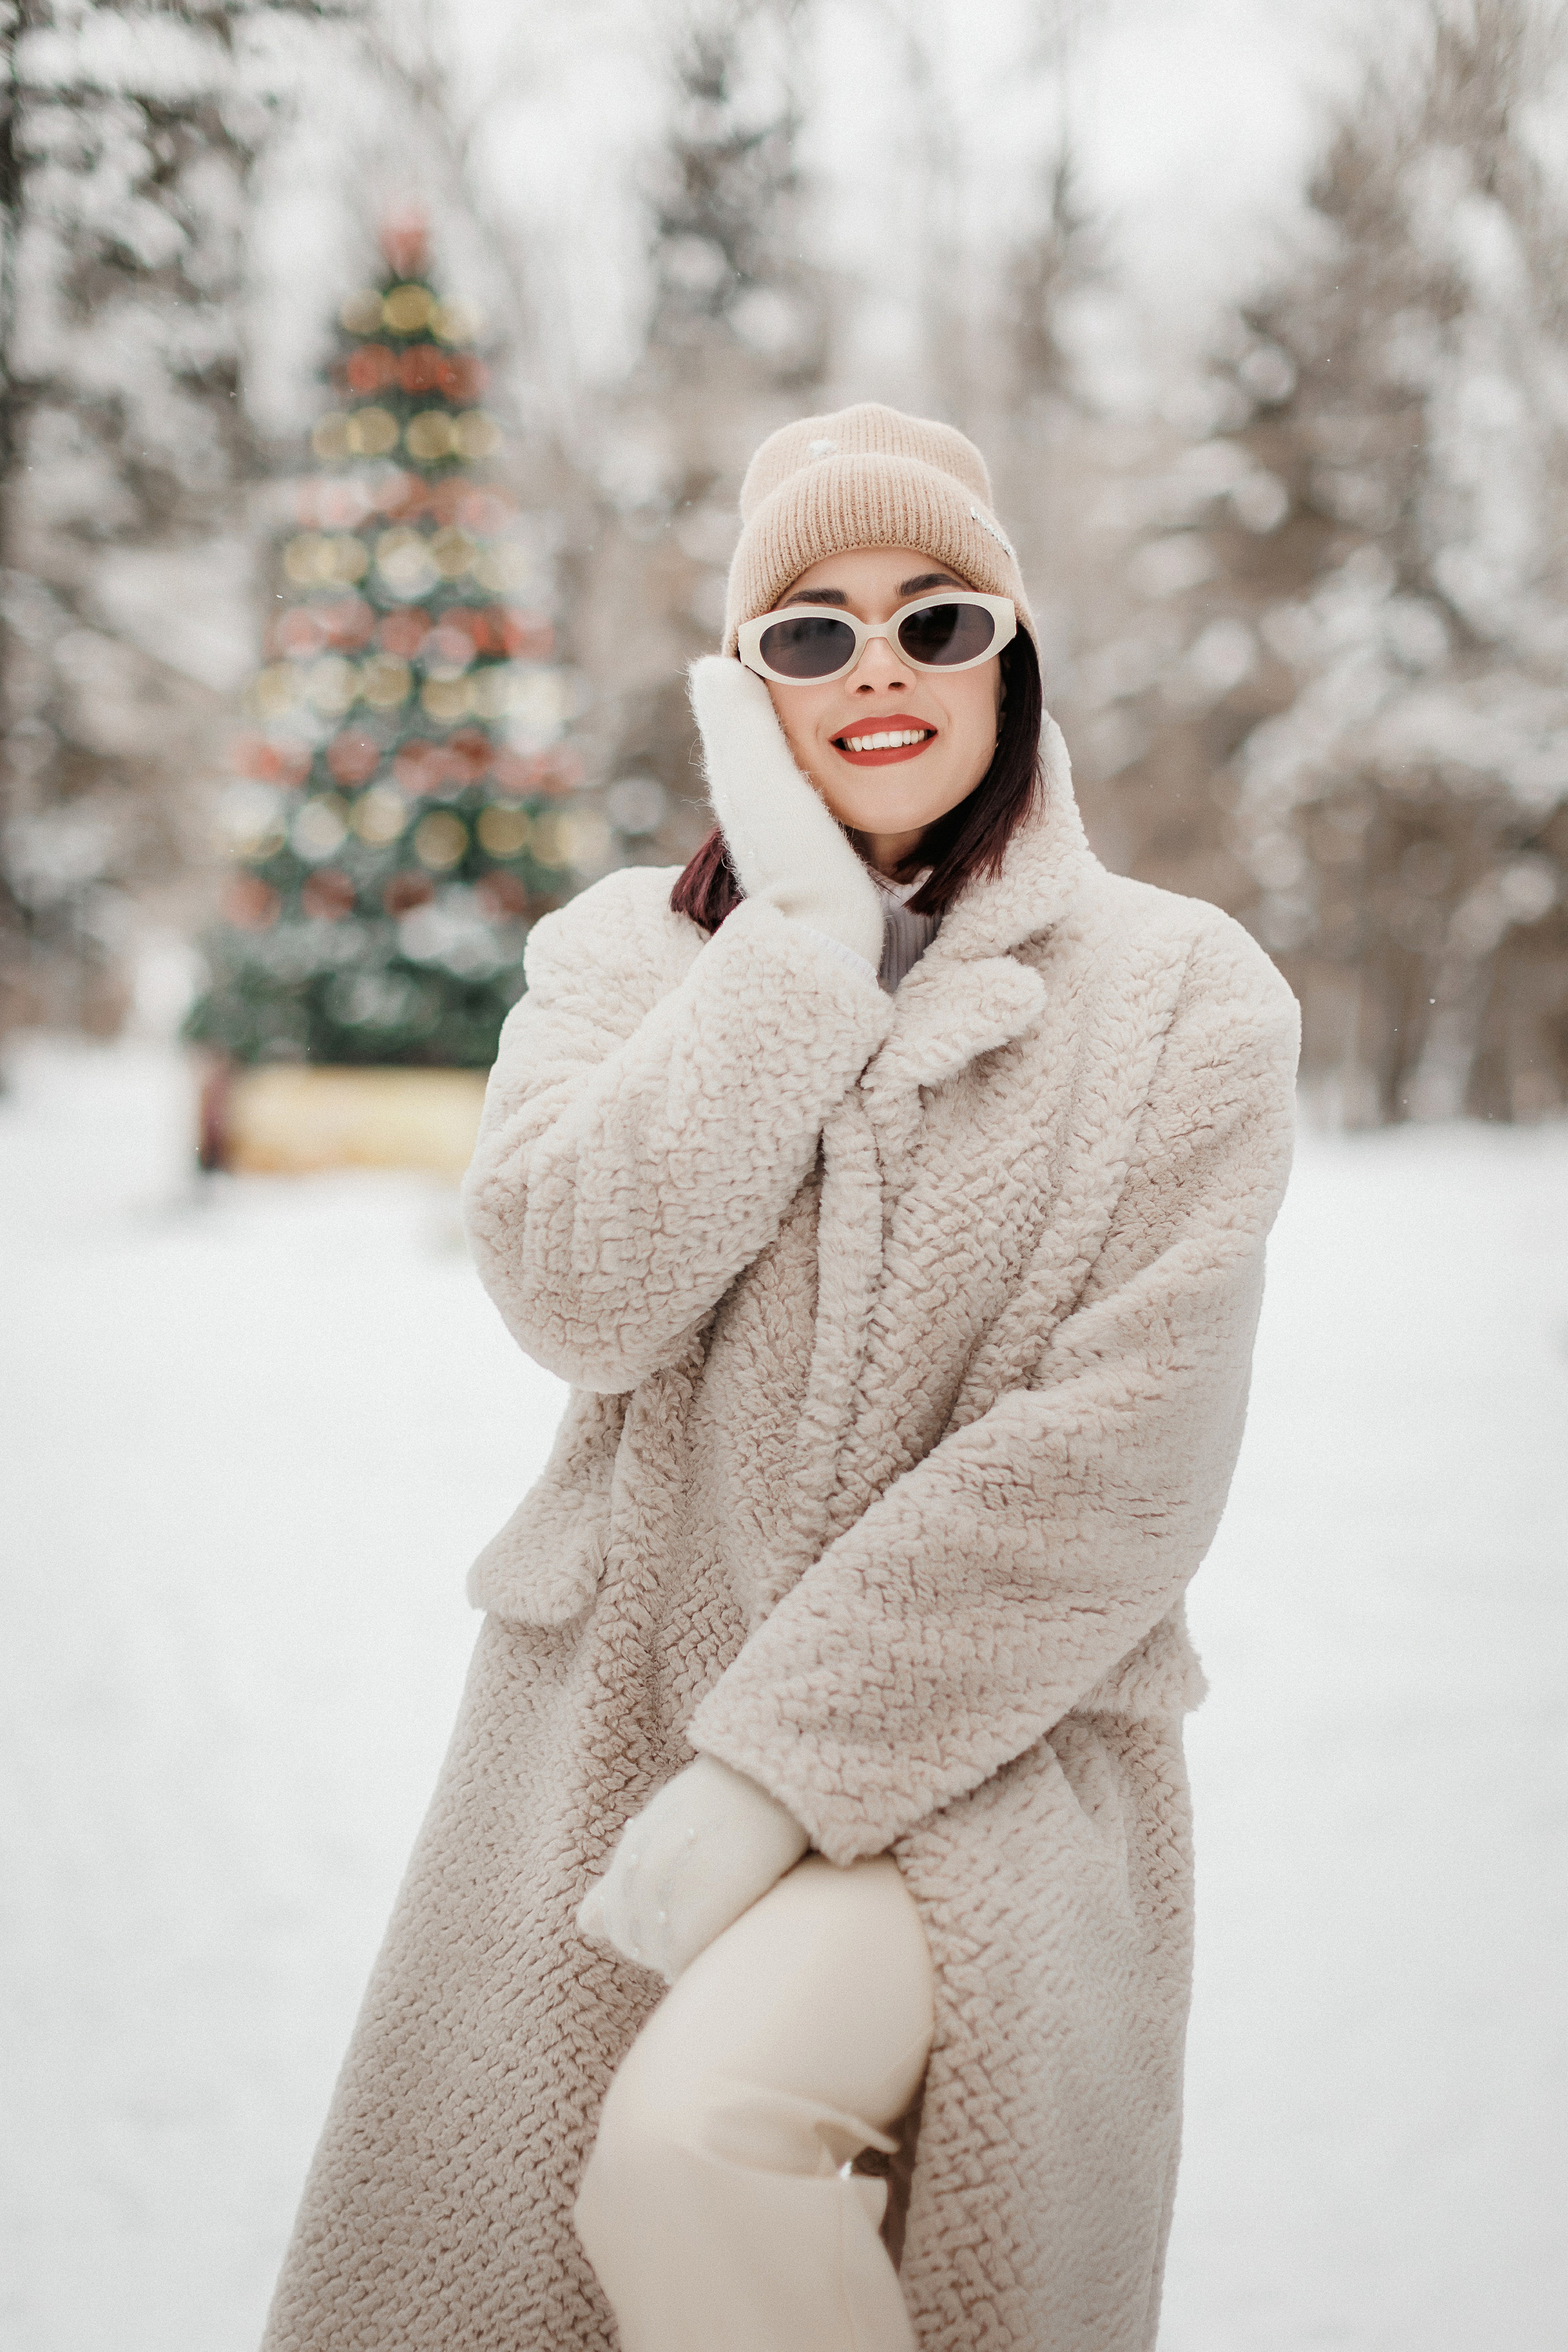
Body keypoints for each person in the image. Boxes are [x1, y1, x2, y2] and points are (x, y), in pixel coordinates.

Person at [259, 404, 1299, 2352]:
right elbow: (577, 1291)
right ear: (746, 695)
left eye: (937, 617)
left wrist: (783, 1769)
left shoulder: (1186, 998)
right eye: (807, 634)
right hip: (614, 1753)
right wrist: (804, 943)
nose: (877, 666)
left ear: (1017, 651)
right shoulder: (617, 964)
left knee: (699, 2146)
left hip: (986, 1765)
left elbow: (1126, 1457)